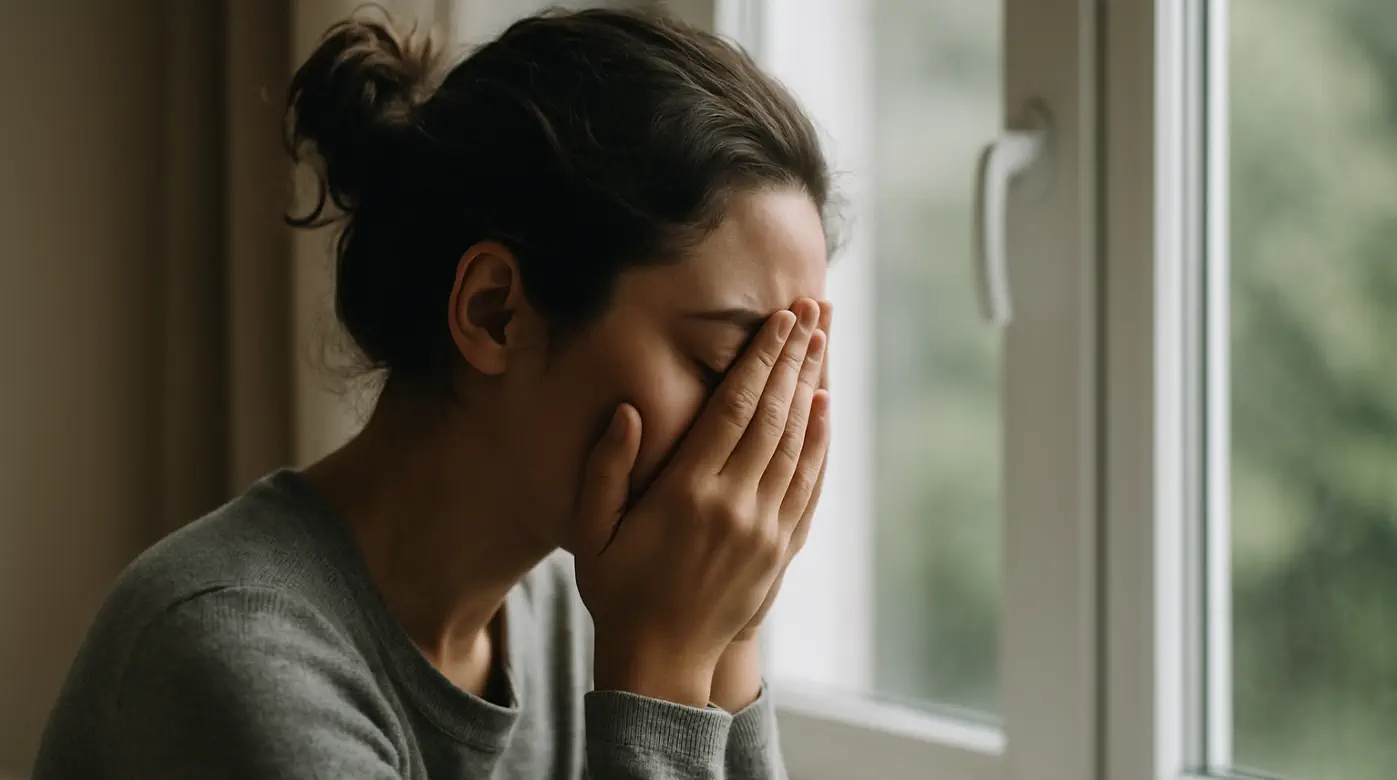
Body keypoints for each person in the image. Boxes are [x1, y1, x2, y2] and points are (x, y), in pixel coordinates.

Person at [32, 6, 834, 779]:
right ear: (495, 311)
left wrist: (729, 644)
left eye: (793, 369)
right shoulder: (229, 657)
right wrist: (661, 680)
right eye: (728, 366)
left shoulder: (570, 612)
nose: (771, 429)